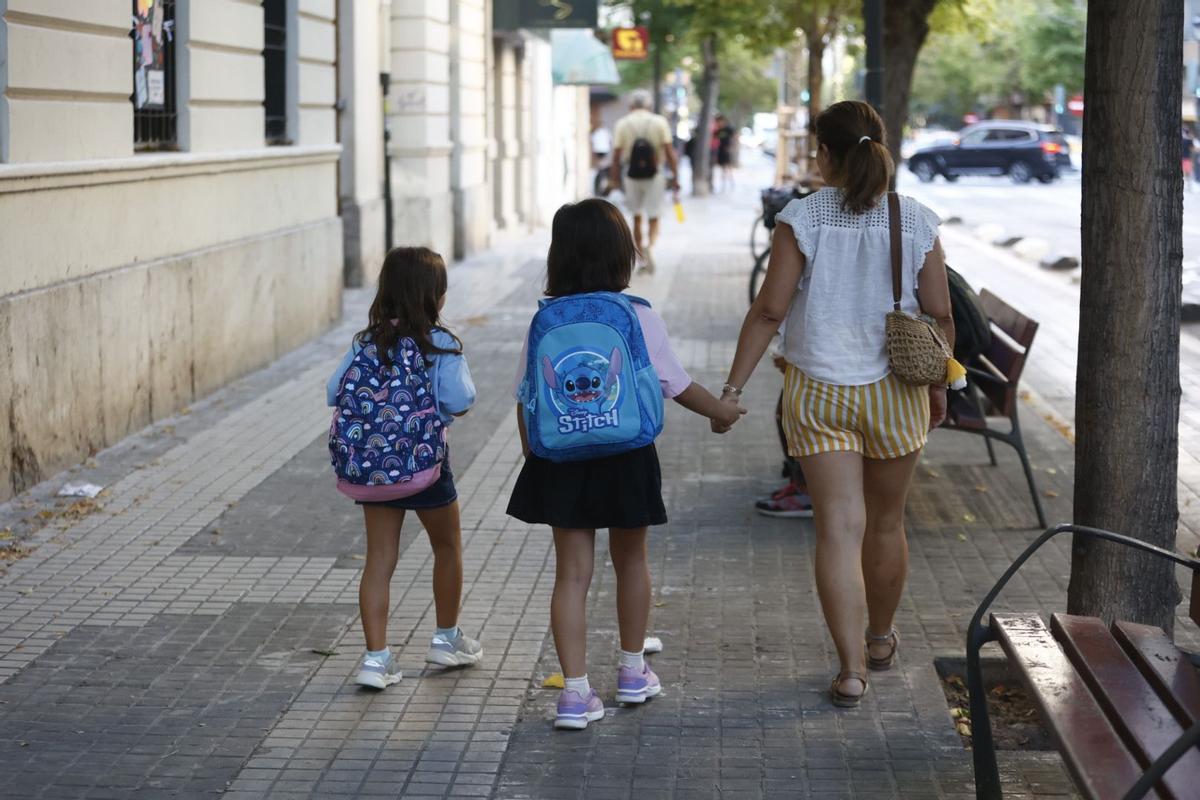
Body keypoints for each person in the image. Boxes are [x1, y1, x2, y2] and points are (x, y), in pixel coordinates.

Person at [719, 101, 952, 708]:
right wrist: (936, 386)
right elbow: (940, 315)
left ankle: (851, 671)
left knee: (838, 530)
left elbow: (769, 311)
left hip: (818, 391)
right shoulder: (915, 218)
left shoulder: (802, 217)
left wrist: (732, 390)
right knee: (886, 523)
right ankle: (880, 639)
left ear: (824, 153)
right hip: (896, 392)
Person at [507, 199, 745, 730]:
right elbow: (675, 383)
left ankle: (574, 695)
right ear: (622, 254)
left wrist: (536, 457)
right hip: (628, 456)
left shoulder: (544, 320)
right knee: (632, 562)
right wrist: (720, 411)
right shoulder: (637, 315)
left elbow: (527, 397)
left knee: (571, 575)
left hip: (563, 460)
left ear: (558, 257)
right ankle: (633, 673)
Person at [326, 247, 483, 690]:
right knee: (447, 546)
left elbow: (333, 390)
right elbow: (460, 399)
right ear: (437, 296)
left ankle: (376, 660)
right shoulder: (440, 344)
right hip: (426, 466)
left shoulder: (366, 342)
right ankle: (446, 638)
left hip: (375, 469)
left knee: (379, 559)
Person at [610, 90, 680, 273]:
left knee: (636, 215)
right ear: (649, 105)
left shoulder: (622, 123)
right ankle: (650, 245)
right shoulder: (659, 122)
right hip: (655, 175)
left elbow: (616, 155)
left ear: (631, 106)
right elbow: (669, 151)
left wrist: (614, 179)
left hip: (631, 174)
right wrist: (675, 176)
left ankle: (640, 254)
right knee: (654, 215)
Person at [714, 113, 737, 192]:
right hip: (720, 150)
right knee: (722, 168)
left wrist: (732, 147)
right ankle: (723, 184)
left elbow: (734, 137)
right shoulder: (719, 130)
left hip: (727, 151)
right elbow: (714, 137)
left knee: (728, 167)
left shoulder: (728, 129)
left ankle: (731, 183)